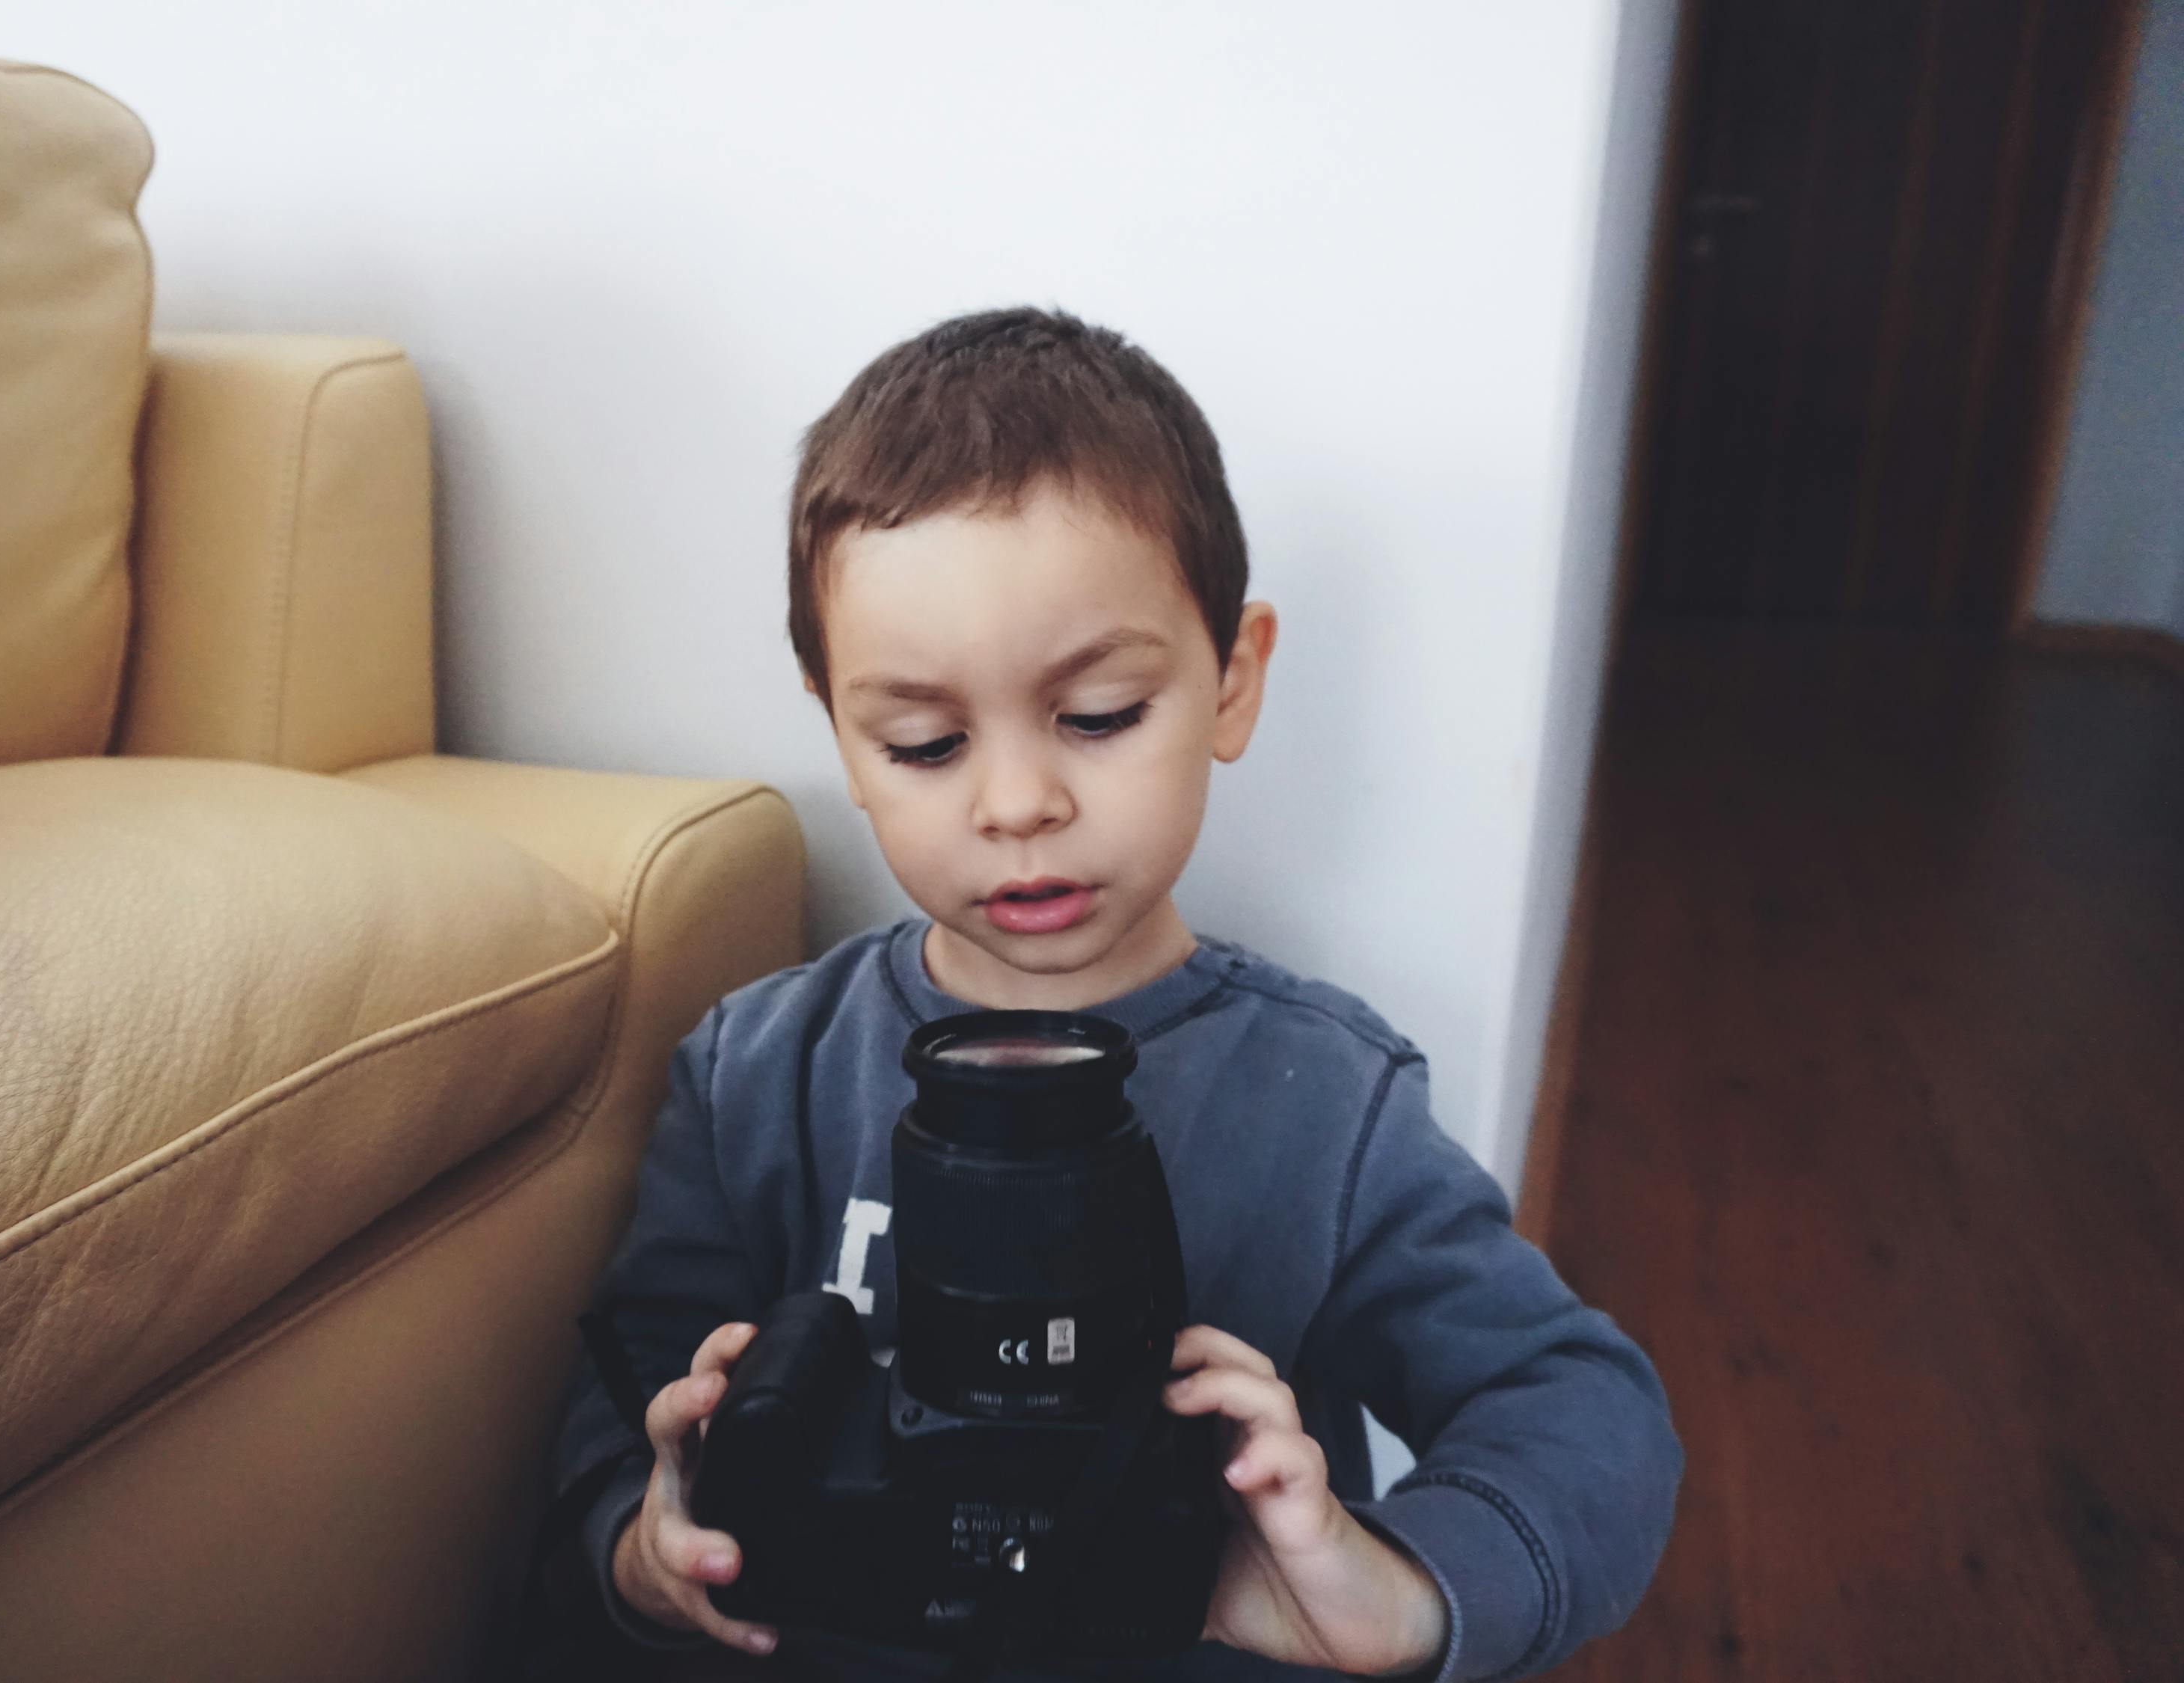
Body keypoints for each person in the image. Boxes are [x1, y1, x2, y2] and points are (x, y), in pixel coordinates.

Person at [549, 307, 1679, 1681]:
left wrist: (1395, 1587)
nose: (1019, 801)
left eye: (1097, 717)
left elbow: (1583, 1407)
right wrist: (645, 1543)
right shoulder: (758, 1072)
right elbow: (620, 1404)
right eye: (924, 741)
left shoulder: (1326, 1103)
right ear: (841, 733)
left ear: (1231, 682)